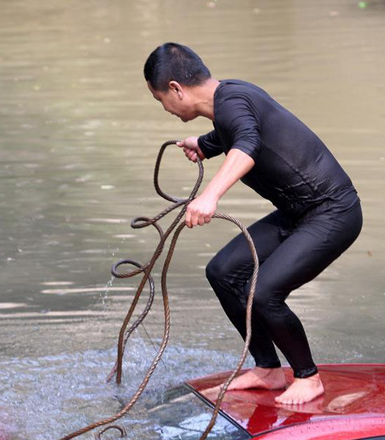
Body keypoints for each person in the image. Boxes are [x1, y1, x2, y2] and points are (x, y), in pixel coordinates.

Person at [144, 43, 362, 404]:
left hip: (332, 212)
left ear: (176, 89)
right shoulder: (229, 100)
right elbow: (237, 133)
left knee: (264, 293)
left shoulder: (231, 102)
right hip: (297, 214)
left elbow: (248, 143)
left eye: (160, 100)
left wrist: (210, 195)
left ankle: (309, 377)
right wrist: (204, 144)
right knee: (223, 271)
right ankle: (268, 369)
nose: (165, 109)